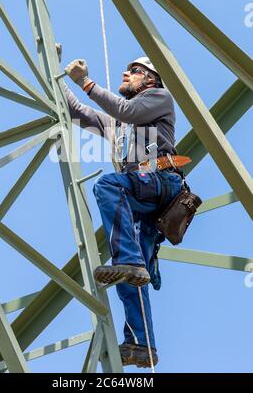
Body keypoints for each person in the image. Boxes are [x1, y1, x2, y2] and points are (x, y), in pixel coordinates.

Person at [64, 56, 187, 368]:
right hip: (142, 192)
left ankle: (129, 261)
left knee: (107, 186)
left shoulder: (159, 98)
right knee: (132, 276)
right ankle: (142, 344)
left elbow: (126, 109)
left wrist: (86, 83)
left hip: (160, 181)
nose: (126, 73)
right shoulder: (117, 124)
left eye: (134, 71)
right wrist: (56, 76)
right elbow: (79, 113)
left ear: (150, 80)